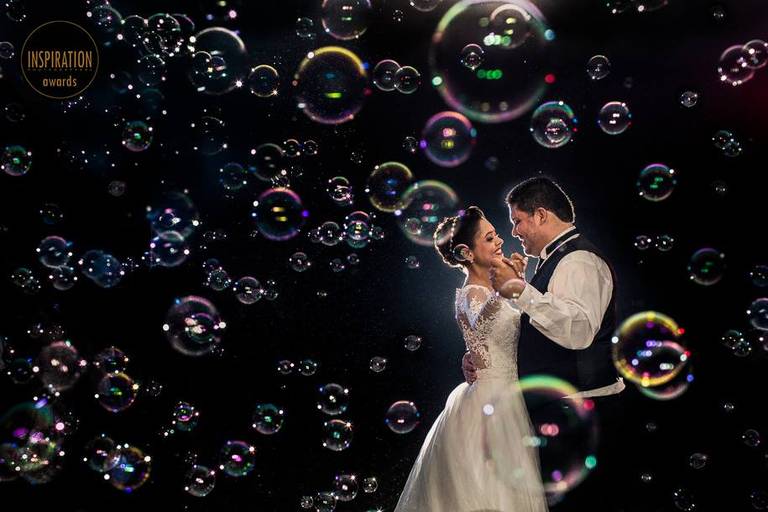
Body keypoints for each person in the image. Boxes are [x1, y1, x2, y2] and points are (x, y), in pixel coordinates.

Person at [467, 176, 625, 507]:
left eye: (518, 221)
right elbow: (536, 328)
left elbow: (578, 331)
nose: (514, 232)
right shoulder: (555, 260)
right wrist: (480, 353)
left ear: (541, 215)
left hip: (581, 410)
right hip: (563, 410)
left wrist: (521, 290)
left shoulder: (578, 260)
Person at [394, 206, 548, 512]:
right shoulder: (469, 294)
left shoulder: (492, 291)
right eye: (489, 238)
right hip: (488, 404)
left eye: (496, 234)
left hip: (509, 396)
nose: (500, 241)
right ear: (466, 253)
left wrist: (517, 281)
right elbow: (480, 325)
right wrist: (504, 291)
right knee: (487, 492)